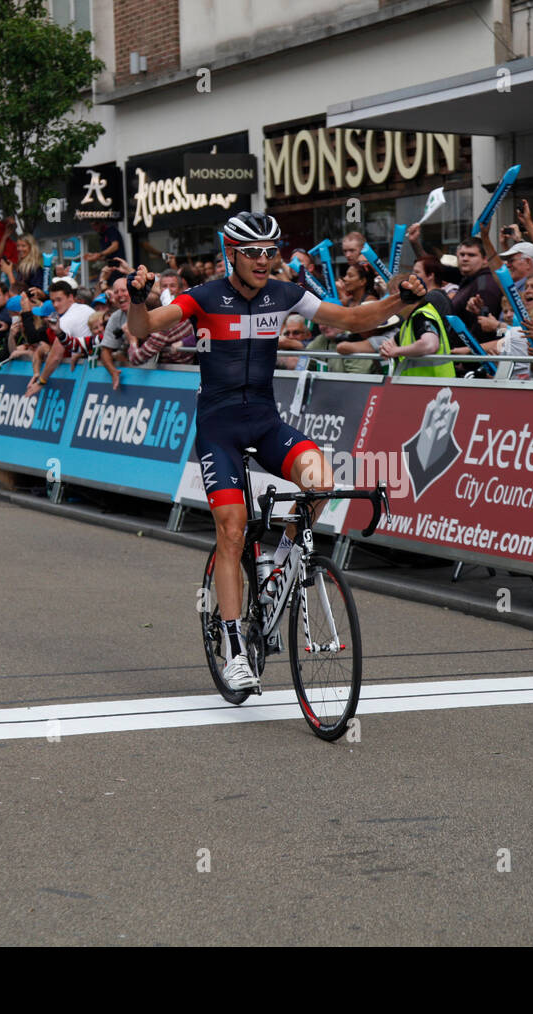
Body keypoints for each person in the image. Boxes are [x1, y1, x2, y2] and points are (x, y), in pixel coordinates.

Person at [125, 211, 426, 692]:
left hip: (265, 422)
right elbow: (143, 328)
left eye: (272, 252)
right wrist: (136, 299)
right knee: (232, 528)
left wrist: (401, 303)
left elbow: (349, 318)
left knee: (321, 480)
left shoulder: (285, 294)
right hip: (218, 429)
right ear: (232, 253)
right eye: (254, 253)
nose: (265, 261)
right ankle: (234, 650)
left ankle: (282, 557)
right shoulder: (203, 297)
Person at [379, 287, 456, 378]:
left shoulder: (422, 315)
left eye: (393, 299)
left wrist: (396, 351)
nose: (391, 305)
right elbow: (391, 344)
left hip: (435, 386)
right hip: (420, 386)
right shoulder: (409, 322)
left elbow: (430, 345)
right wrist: (385, 348)